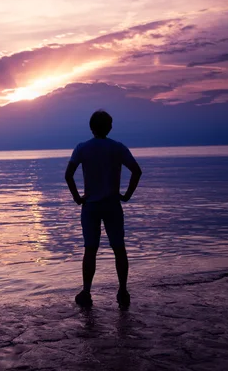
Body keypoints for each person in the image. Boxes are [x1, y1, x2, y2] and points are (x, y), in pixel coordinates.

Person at [65, 110, 142, 309]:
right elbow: (136, 171)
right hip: (112, 205)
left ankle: (87, 292)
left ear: (91, 127)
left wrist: (77, 198)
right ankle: (123, 290)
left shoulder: (82, 148)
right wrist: (126, 195)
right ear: (109, 127)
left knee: (90, 249)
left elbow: (68, 175)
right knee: (119, 248)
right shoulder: (117, 148)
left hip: (90, 206)